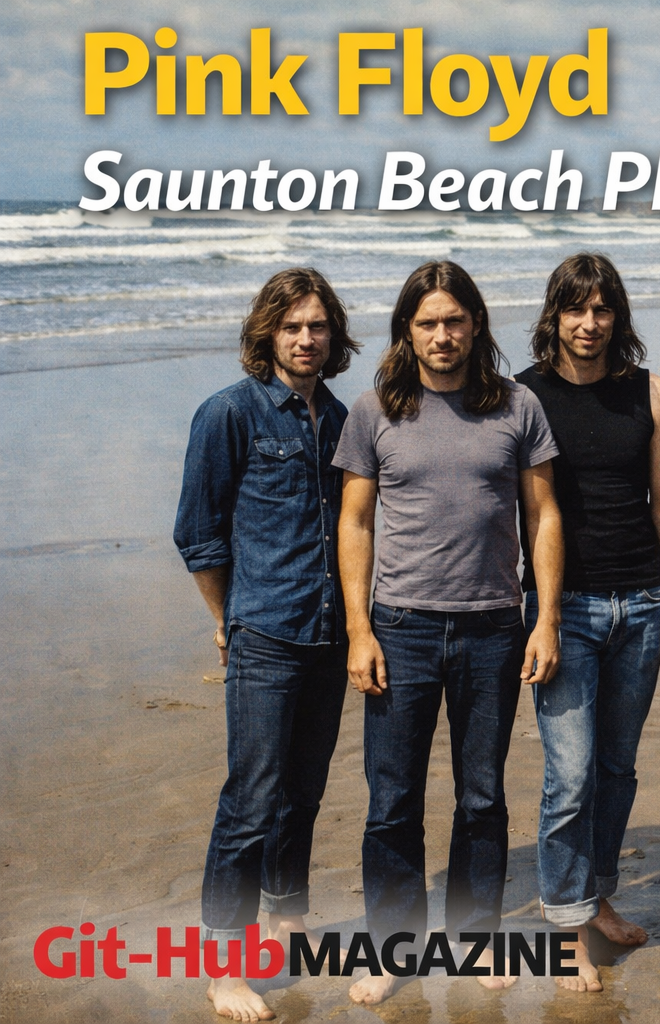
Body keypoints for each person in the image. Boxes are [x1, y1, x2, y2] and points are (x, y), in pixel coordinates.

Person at [333, 261, 563, 1005]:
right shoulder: (374, 410)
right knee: (392, 799)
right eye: (428, 322)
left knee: (483, 796)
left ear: (476, 325)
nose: (442, 335)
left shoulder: (517, 406)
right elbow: (355, 523)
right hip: (400, 627)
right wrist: (359, 629)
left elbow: (544, 516)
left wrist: (545, 618)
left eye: (454, 321)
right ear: (407, 330)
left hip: (494, 627)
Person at [173, 267, 360, 1022]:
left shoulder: (341, 416)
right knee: (251, 799)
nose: (305, 339)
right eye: (291, 327)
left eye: (317, 326)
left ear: (333, 335)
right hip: (267, 632)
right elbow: (198, 531)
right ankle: (223, 967)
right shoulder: (229, 412)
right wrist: (228, 617)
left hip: (329, 631)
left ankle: (287, 920)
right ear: (267, 333)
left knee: (303, 791)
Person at [513, 253, 660, 992]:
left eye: (602, 309)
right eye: (575, 309)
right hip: (568, 610)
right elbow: (528, 512)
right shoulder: (522, 396)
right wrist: (544, 616)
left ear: (618, 316)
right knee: (571, 773)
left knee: (617, 769)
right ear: (554, 316)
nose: (589, 324)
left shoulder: (651, 391)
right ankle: (565, 926)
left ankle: (599, 897)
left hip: (644, 605)